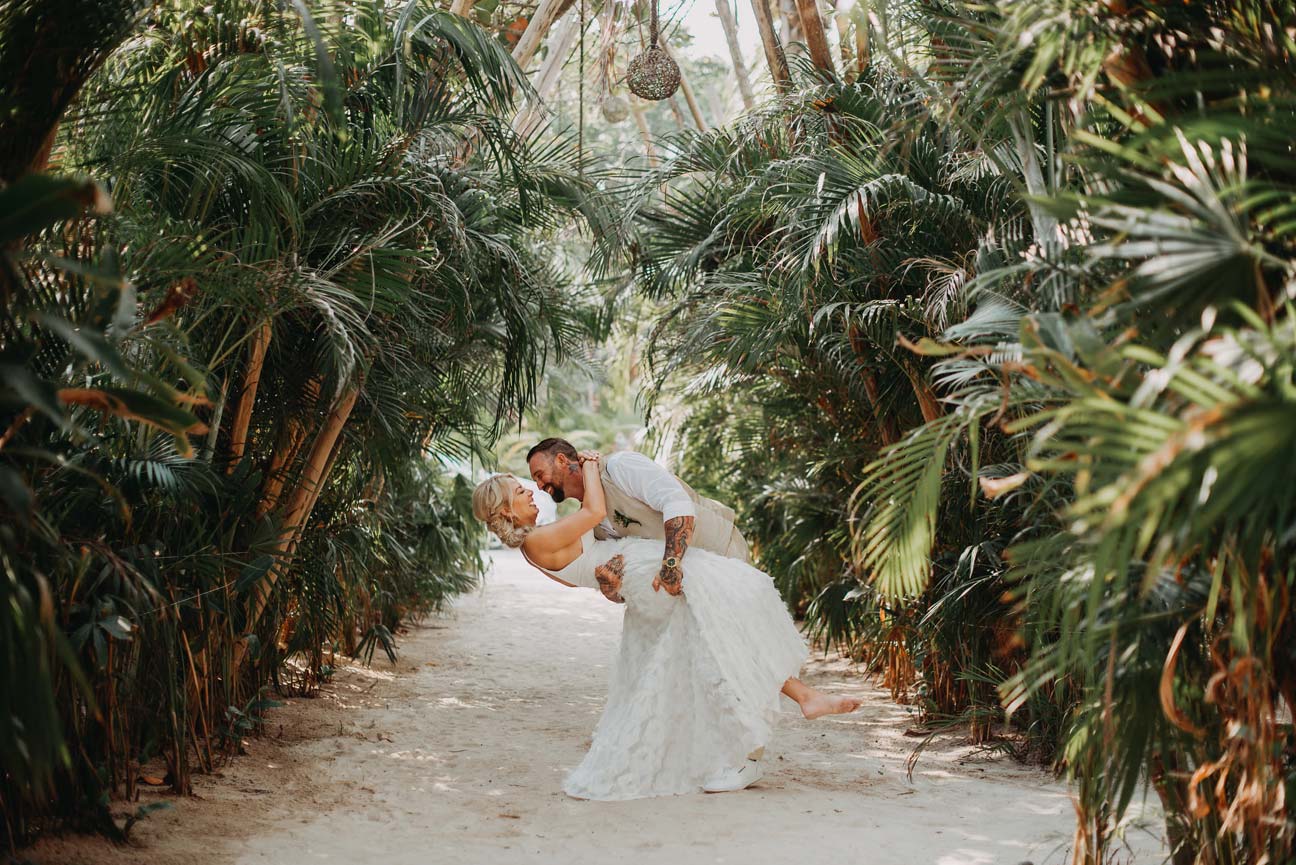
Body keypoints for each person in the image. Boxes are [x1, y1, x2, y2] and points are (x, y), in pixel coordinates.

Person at [471, 447, 861, 801]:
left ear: (561, 460)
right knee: (722, 638)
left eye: (534, 479)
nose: (533, 490)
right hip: (648, 572)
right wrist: (589, 465)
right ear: (506, 510)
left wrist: (617, 579)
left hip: (652, 568)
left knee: (721, 639)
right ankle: (781, 718)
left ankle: (791, 707)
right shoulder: (537, 541)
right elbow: (594, 516)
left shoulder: (563, 521)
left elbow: (604, 554)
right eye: (521, 490)